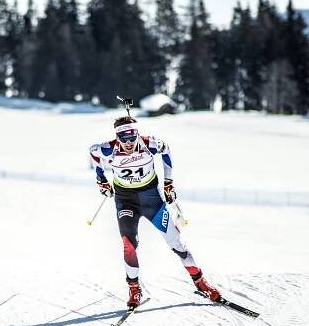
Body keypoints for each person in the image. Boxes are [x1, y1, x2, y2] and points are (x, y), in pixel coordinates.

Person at [89, 116, 221, 308]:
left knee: (177, 242)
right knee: (128, 244)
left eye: (132, 136)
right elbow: (94, 153)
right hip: (126, 201)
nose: (128, 142)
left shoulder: (149, 143)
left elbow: (166, 149)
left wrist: (169, 182)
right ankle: (134, 289)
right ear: (117, 136)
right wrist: (101, 178)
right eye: (123, 137)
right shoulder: (108, 149)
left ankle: (200, 282)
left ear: (137, 133)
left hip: (152, 200)